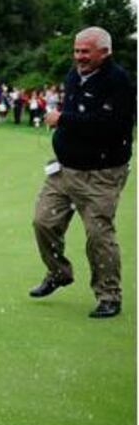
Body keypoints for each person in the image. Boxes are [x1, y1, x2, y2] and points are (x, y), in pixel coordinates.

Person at [29, 26, 135, 318]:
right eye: (76, 50)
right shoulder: (74, 76)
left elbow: (109, 126)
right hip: (64, 170)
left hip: (101, 174)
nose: (79, 57)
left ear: (105, 52)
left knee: (98, 234)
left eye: (85, 51)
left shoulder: (118, 81)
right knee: (43, 221)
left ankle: (109, 295)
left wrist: (63, 119)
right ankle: (58, 272)